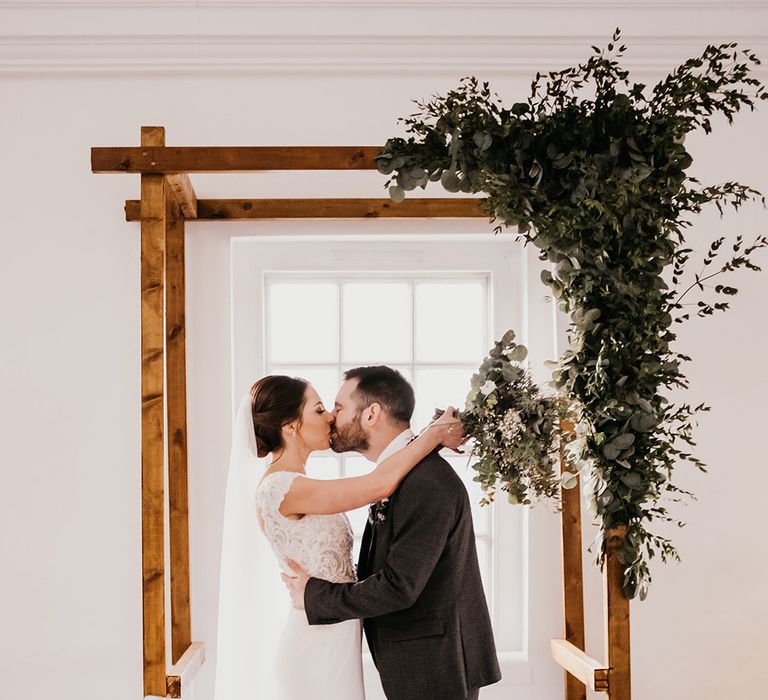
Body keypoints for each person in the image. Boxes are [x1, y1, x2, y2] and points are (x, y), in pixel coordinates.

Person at [282, 366, 502, 700]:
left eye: (339, 408)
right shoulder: (406, 473)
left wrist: (314, 595)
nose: (331, 418)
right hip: (421, 657)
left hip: (435, 663)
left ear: (371, 414)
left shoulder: (426, 481)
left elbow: (399, 587)